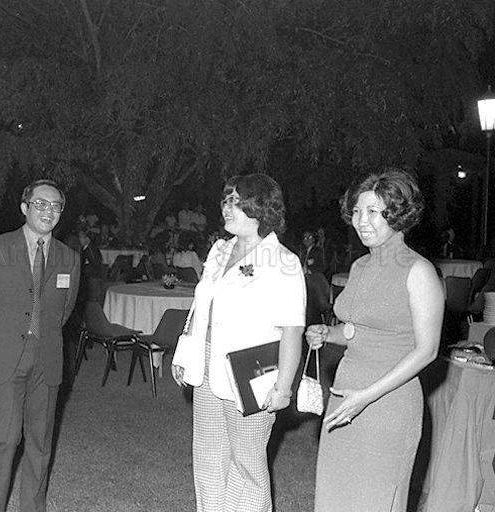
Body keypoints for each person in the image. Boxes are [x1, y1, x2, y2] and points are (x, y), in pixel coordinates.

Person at [305, 169, 443, 512]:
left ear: (396, 214)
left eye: (373, 212)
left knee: (374, 500)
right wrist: (328, 334)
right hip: (346, 393)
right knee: (337, 497)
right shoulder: (361, 266)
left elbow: (427, 350)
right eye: (356, 211)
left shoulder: (419, 271)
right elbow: (355, 331)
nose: (361, 221)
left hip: (388, 402)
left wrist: (366, 397)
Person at [171, 174, 306, 512]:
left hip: (252, 374)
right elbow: (202, 306)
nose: (226, 208)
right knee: (208, 459)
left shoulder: (283, 261)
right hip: (206, 370)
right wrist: (184, 353)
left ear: (259, 207)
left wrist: (284, 387)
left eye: (235, 201)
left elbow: (292, 330)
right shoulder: (219, 249)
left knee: (247, 465)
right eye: (225, 200)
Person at [0, 178, 80, 512]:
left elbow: (65, 310)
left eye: (55, 206)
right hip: (5, 358)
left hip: (47, 360)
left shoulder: (69, 258)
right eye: (40, 204)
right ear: (24, 207)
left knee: (40, 443)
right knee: (4, 439)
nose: (48, 211)